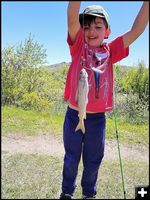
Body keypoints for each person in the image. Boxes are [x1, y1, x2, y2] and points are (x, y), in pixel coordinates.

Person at [60, 1, 149, 199]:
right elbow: (72, 13)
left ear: (107, 30)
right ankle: (66, 192)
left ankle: (89, 194)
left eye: (98, 26)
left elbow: (137, 30)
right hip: (74, 115)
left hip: (98, 120)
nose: (91, 30)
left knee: (93, 160)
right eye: (86, 26)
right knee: (71, 158)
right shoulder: (77, 46)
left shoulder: (111, 51)